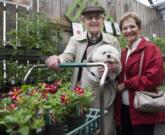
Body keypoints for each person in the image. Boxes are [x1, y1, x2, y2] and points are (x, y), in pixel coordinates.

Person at [45, 5, 121, 135]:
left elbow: (119, 66)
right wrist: (57, 60)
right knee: (82, 130)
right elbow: (66, 57)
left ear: (103, 20)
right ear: (83, 21)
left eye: (97, 17)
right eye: (89, 18)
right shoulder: (75, 40)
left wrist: (112, 68)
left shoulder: (112, 41)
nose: (93, 21)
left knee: (104, 130)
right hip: (80, 95)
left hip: (103, 95)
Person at [114, 12, 165, 135]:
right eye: (125, 28)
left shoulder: (151, 49)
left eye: (132, 26)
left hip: (142, 110)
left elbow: (154, 78)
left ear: (139, 28)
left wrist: (126, 84)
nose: (129, 30)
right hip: (123, 109)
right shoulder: (123, 52)